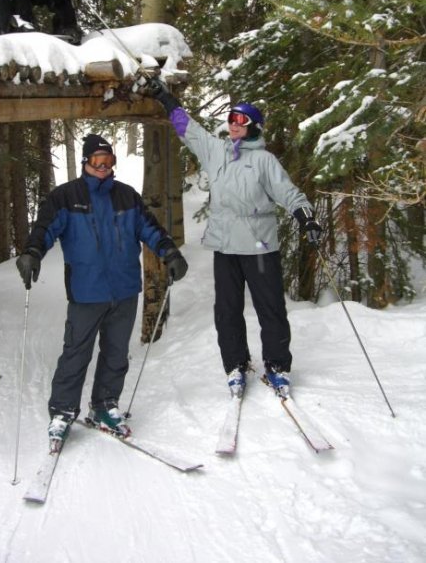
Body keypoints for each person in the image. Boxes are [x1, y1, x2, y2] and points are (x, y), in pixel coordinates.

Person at [146, 80, 321, 399]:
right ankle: (235, 365)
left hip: (259, 247)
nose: (233, 124)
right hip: (226, 247)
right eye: (231, 118)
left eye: (241, 119)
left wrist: (305, 215)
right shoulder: (217, 152)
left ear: (254, 126)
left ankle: (277, 366)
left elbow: (288, 193)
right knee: (227, 311)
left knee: (271, 309)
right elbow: (190, 130)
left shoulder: (265, 160)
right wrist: (168, 101)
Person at [16, 133, 188, 450]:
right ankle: (62, 411)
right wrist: (32, 252)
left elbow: (150, 229)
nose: (103, 166)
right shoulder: (66, 197)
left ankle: (105, 405)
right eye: (97, 160)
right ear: (86, 162)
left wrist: (171, 253)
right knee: (75, 353)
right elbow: (45, 228)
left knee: (116, 353)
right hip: (86, 291)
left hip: (124, 290)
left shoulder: (127, 196)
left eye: (108, 160)